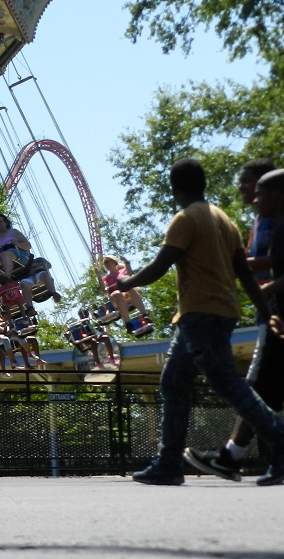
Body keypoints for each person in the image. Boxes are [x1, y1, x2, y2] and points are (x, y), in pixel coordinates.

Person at [114, 158, 284, 486]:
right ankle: (169, 463)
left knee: (226, 383)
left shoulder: (185, 218)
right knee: (174, 379)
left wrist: (126, 283)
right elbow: (244, 273)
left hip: (201, 313)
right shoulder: (223, 219)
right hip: (219, 312)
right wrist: (266, 313)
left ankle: (280, 443)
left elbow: (161, 266)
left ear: (175, 188)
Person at [186, 166, 284, 481]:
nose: (252, 198)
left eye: (258, 192)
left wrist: (262, 289)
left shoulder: (279, 226)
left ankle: (236, 456)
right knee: (264, 386)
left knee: (258, 386)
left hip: (275, 316)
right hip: (272, 313)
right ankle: (232, 456)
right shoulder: (270, 223)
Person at [0, 213, 32, 291]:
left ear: (6, 222)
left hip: (19, 254)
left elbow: (28, 245)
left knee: (5, 254)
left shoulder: (14, 232)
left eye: (0, 221)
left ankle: (7, 275)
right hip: (3, 258)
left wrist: (17, 244)